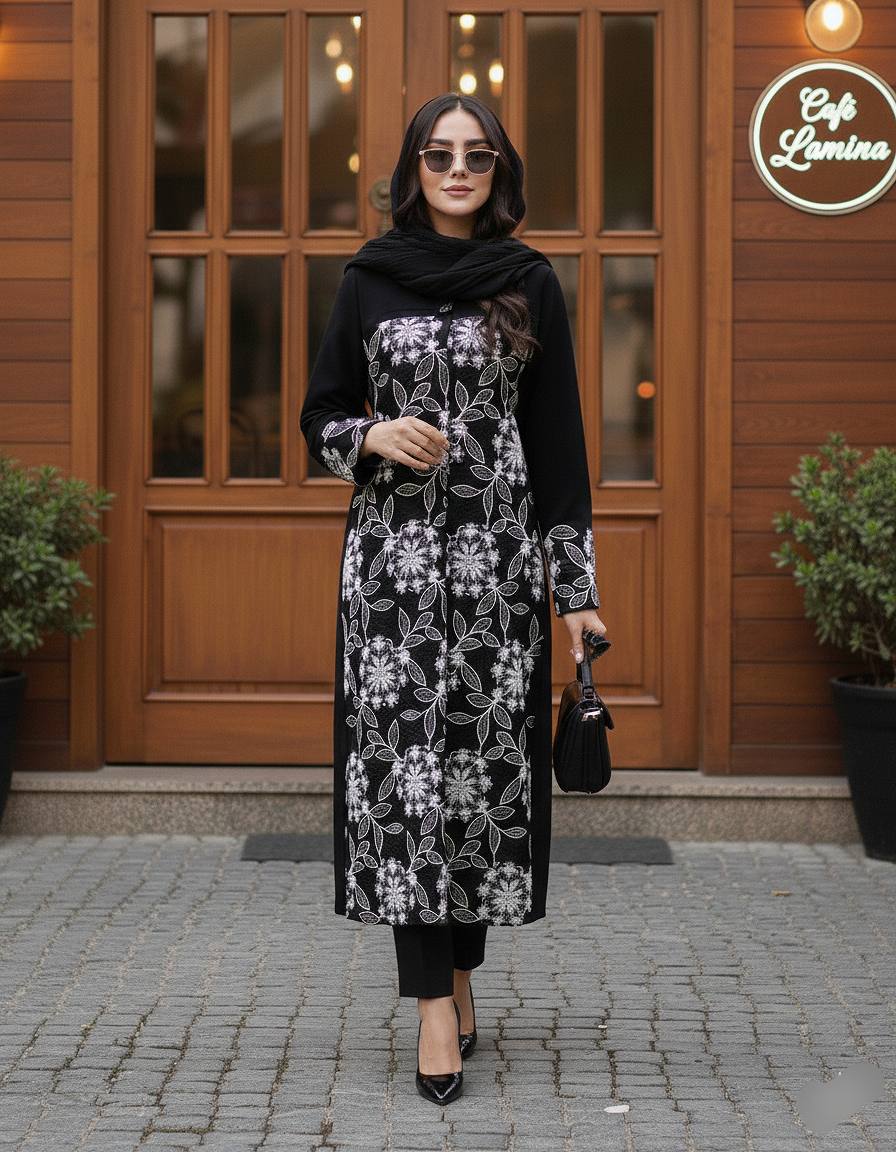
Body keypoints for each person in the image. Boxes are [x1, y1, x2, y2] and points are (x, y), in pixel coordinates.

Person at [300, 91, 606, 1104]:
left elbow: (560, 450)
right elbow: (319, 415)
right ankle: (433, 1007)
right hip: (390, 582)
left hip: (495, 581)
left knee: (474, 786)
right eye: (439, 155)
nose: (458, 170)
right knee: (405, 791)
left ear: (498, 170)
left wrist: (574, 592)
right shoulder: (368, 279)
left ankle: (461, 971)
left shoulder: (527, 282)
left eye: (476, 155)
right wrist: (370, 435)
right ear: (413, 170)